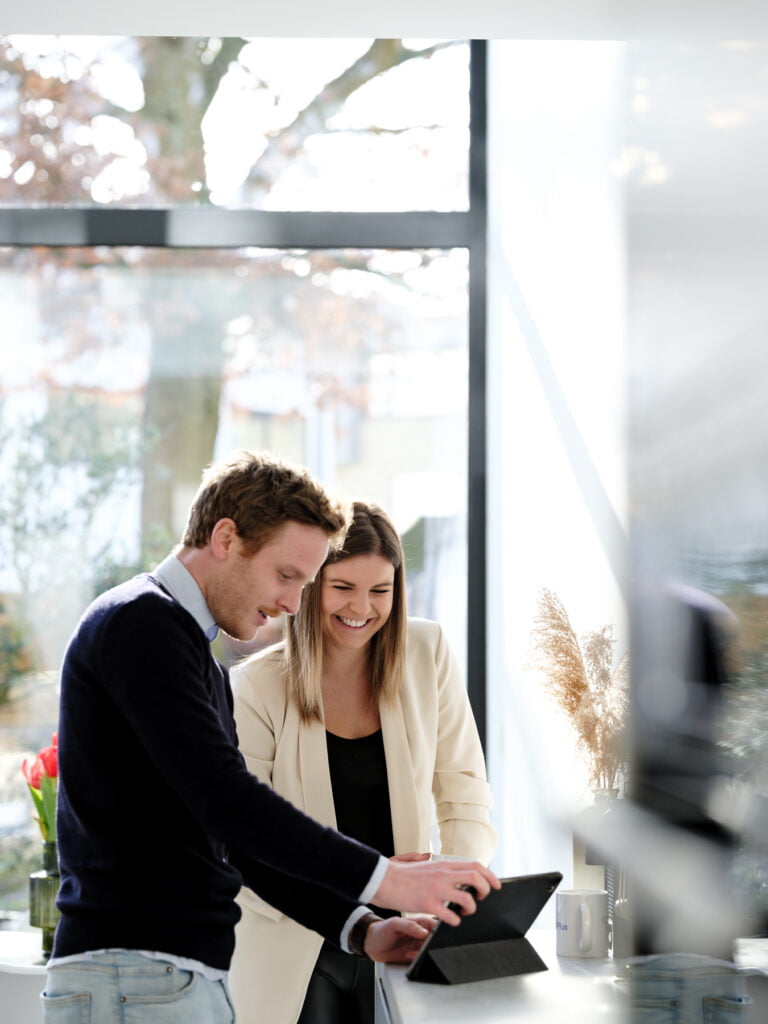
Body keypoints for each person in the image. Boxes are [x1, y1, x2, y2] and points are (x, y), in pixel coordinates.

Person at [43, 451, 499, 1024]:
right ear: (226, 538)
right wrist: (388, 879)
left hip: (168, 976)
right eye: (287, 576)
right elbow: (231, 801)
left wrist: (361, 929)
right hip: (134, 976)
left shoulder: (190, 652)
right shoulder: (141, 623)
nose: (291, 604)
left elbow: (236, 842)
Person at [229, 500, 497, 1024]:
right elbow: (244, 841)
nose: (363, 607)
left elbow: (463, 790)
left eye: (380, 590)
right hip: (296, 947)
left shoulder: (427, 650)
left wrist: (454, 897)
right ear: (311, 586)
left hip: (409, 939)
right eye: (344, 587)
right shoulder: (255, 686)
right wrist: (355, 918)